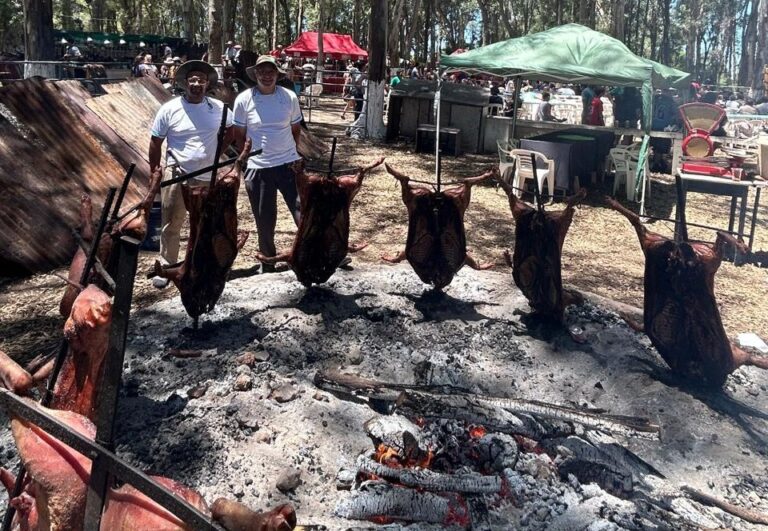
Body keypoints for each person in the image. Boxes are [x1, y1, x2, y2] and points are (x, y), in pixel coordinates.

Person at [148, 60, 233, 288]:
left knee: (206, 222)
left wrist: (218, 151)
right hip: (177, 172)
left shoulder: (218, 108)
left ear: (207, 84)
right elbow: (156, 142)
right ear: (185, 83)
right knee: (171, 222)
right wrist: (155, 170)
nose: (196, 84)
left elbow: (233, 130)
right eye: (192, 79)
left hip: (207, 174)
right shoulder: (170, 109)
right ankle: (166, 266)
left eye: (201, 80)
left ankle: (204, 264)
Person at [232, 55, 303, 273]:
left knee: (303, 210)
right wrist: (248, 158)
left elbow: (295, 129)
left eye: (270, 71)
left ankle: (317, 250)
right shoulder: (244, 100)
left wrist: (292, 153)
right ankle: (268, 261)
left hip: (288, 163)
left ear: (277, 74)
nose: (266, 75)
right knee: (264, 219)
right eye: (262, 71)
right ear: (255, 75)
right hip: (258, 166)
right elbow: (238, 135)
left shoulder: (289, 97)